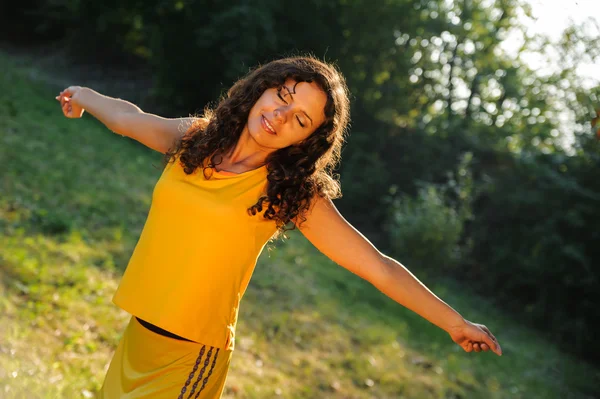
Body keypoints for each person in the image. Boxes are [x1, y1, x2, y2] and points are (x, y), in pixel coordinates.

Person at [56, 56, 502, 399]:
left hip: (189, 357)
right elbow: (129, 118)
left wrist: (455, 322)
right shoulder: (197, 139)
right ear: (264, 88)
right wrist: (82, 96)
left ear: (305, 140)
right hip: (140, 333)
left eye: (301, 120)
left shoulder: (292, 192)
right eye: (283, 97)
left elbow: (377, 266)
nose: (281, 116)